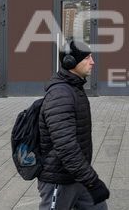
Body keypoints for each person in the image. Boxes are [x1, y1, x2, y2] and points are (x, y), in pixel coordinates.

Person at [37, 40, 110, 209]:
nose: (92, 62)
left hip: (77, 175)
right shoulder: (61, 95)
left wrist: (87, 178)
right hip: (59, 181)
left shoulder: (74, 88)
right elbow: (66, 146)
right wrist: (92, 181)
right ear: (70, 62)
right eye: (87, 58)